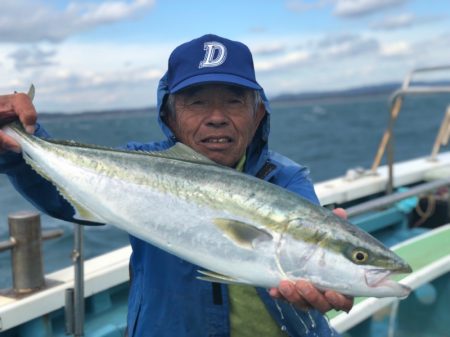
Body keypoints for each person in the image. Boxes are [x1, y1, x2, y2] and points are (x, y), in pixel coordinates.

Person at [0, 34, 352, 337]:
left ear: (258, 113)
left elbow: (308, 251)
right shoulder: (139, 163)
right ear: (168, 115)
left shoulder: (286, 177)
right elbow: (63, 198)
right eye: (196, 102)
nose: (216, 117)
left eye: (234, 101)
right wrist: (19, 142)